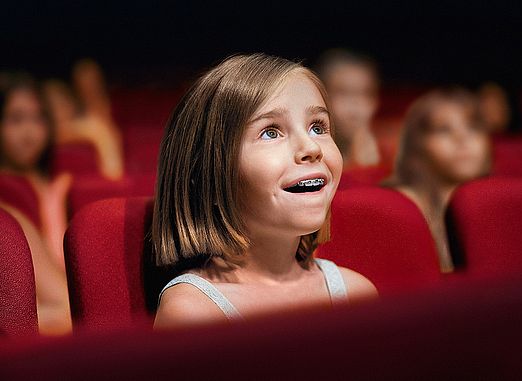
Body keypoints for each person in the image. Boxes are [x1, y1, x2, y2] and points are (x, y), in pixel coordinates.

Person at [153, 54, 377, 328]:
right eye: (271, 132)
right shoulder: (194, 312)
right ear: (211, 172)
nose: (311, 148)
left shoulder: (356, 294)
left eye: (317, 127)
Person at [382, 88, 491, 273]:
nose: (462, 138)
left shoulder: (496, 201)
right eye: (443, 129)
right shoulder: (397, 208)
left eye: (473, 127)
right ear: (417, 144)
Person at [0, 73, 71, 334]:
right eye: (15, 119)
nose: (29, 132)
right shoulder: (10, 209)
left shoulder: (58, 182)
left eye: (38, 119)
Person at [314, 48, 381, 169]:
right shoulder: (310, 151)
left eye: (366, 93)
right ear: (320, 95)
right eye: (343, 93)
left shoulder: (393, 151)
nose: (355, 108)